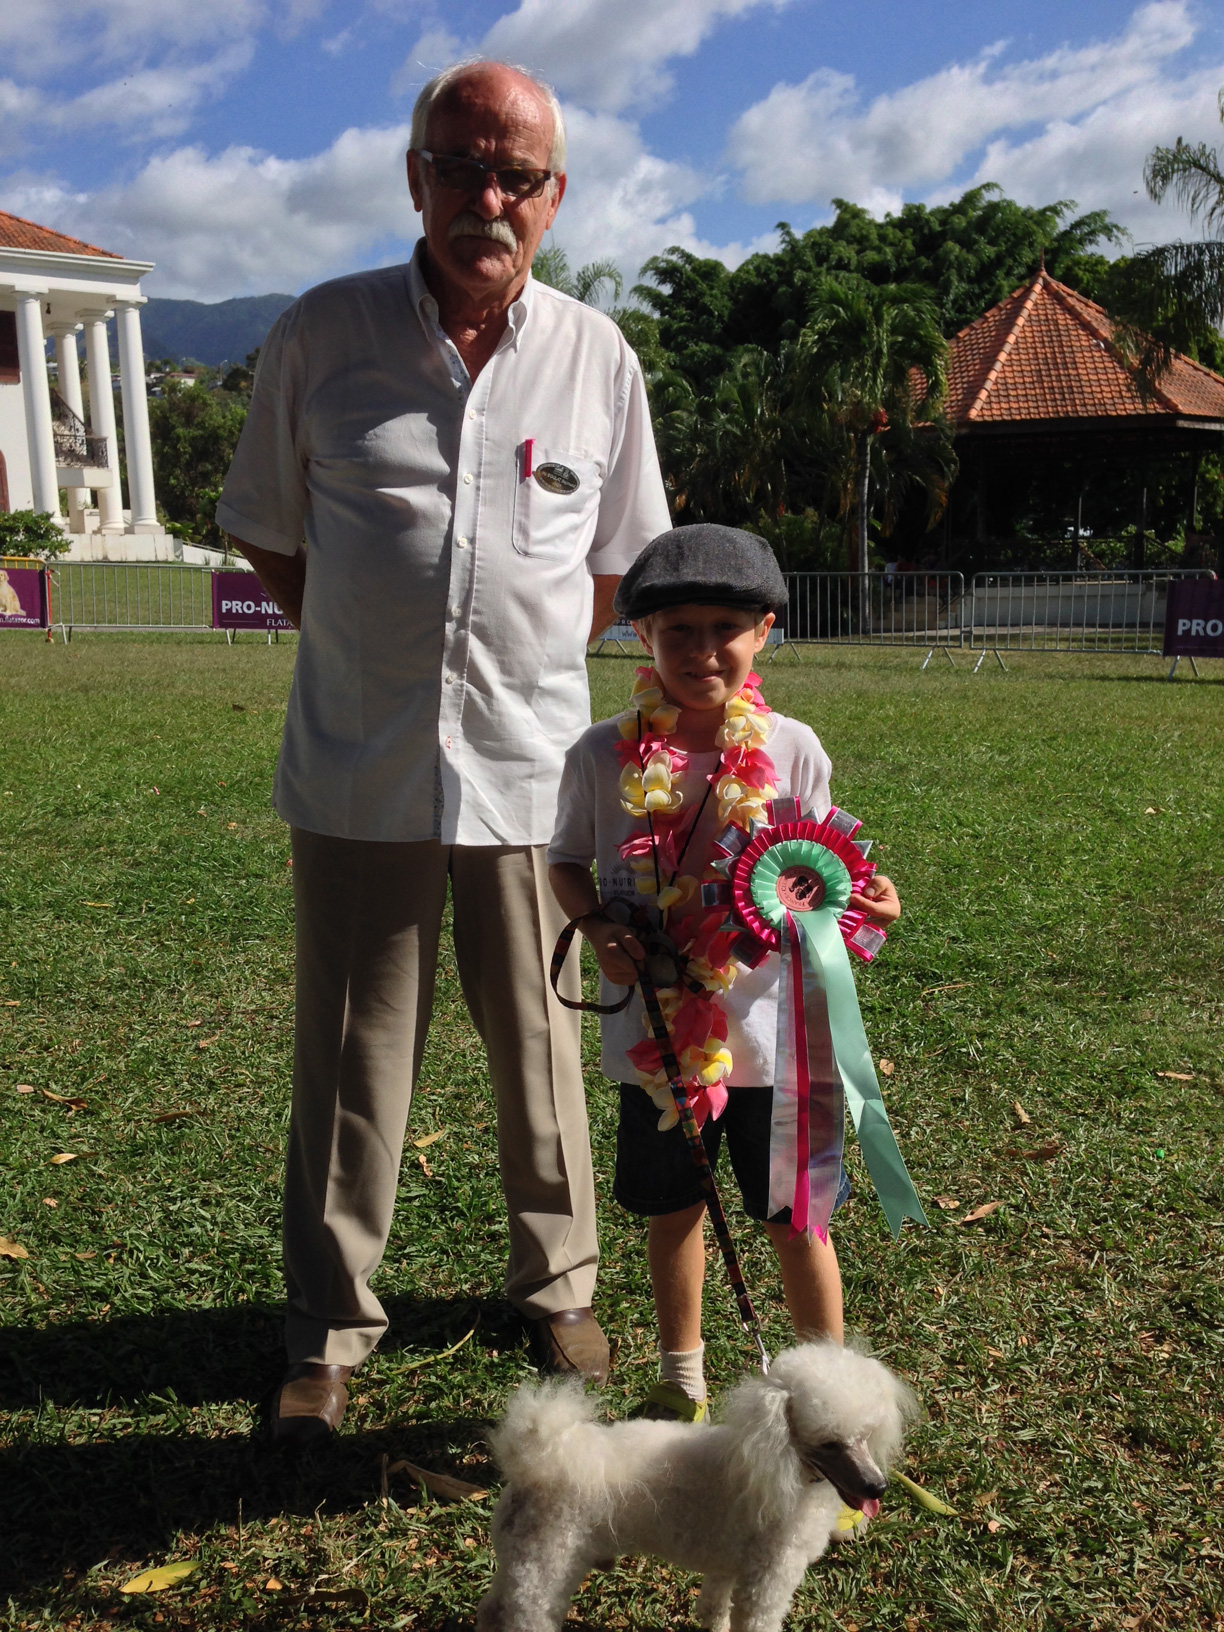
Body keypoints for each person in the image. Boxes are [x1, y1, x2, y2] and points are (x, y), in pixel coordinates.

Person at [215, 58, 671, 1443]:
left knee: (541, 1046)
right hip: (361, 767)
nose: (488, 196)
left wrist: (515, 671)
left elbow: (613, 573)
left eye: (516, 175)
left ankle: (561, 1286)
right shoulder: (322, 334)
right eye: (461, 166)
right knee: (354, 1057)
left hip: (538, 772)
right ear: (415, 176)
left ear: (554, 194)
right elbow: (272, 534)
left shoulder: (598, 357)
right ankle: (330, 1328)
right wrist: (377, 653)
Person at [547, 526, 901, 1421]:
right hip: (657, 1036)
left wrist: (866, 902)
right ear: (640, 639)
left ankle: (829, 1409)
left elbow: (827, 873)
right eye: (677, 633)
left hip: (776, 1041)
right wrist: (593, 923)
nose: (702, 651)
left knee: (797, 1221)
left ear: (765, 632)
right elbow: (563, 863)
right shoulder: (599, 754)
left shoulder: (792, 748)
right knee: (675, 1214)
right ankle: (683, 1383)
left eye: (723, 629)